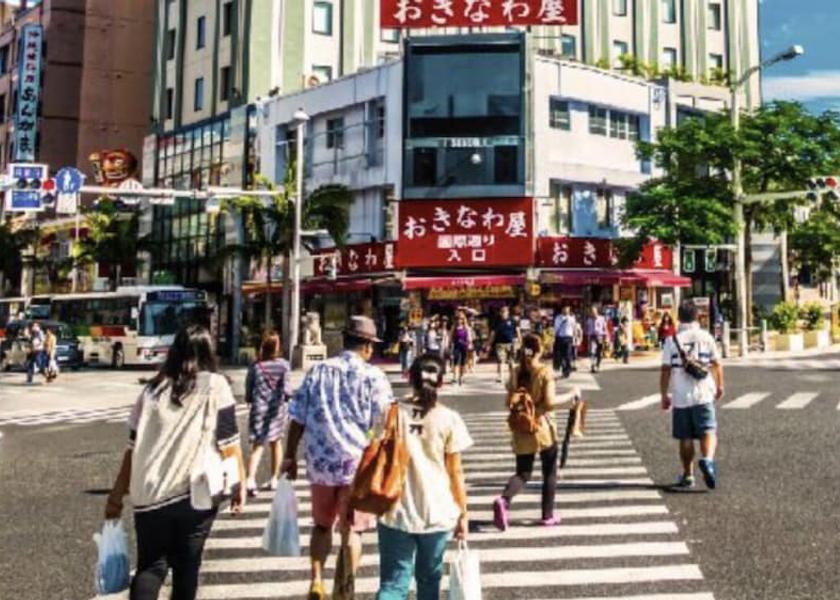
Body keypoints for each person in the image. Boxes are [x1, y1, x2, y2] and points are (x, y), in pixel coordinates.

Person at [104, 325, 246, 600]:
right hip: (194, 493)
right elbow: (229, 444)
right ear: (208, 352)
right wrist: (238, 484)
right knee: (186, 567)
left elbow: (132, 449)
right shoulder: (216, 385)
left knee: (151, 566)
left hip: (149, 493)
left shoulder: (153, 390)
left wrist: (116, 496)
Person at [282, 316, 394, 600]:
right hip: (358, 465)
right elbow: (383, 423)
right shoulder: (374, 377)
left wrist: (289, 456)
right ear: (367, 346)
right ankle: (345, 585)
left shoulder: (318, 371)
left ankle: (317, 579)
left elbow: (297, 417)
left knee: (322, 525)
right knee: (352, 531)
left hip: (320, 464)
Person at [376, 354, 471, 599]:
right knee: (429, 582)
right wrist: (463, 513)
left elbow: (374, 452)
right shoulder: (449, 419)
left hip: (394, 509)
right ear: (440, 383)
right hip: (437, 511)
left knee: (392, 585)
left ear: (410, 378)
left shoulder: (391, 413)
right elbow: (455, 472)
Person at [493, 334, 559, 530]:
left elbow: (508, 400)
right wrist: (572, 395)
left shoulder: (516, 371)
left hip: (521, 425)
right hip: (541, 425)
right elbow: (549, 403)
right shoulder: (544, 372)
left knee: (523, 472)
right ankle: (547, 515)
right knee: (550, 470)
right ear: (540, 350)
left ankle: (504, 499)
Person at [660, 301, 724, 490]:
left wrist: (664, 394)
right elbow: (716, 364)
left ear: (678, 317)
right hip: (704, 393)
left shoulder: (672, 341)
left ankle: (688, 475)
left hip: (681, 395)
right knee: (708, 431)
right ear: (697, 316)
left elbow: (665, 370)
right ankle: (708, 461)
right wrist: (720, 385)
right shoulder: (706, 337)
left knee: (685, 437)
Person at [244, 331, 291, 497]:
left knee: (258, 445)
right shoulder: (284, 365)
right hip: (276, 410)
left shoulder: (256, 366)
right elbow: (286, 390)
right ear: (277, 347)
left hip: (259, 409)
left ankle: (250, 479)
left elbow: (249, 388)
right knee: (276, 443)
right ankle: (273, 479)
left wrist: (250, 399)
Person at [486, 306, 521, 383]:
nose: (503, 313)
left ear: (508, 312)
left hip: (511, 344)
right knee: (500, 360)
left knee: (511, 362)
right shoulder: (497, 321)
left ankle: (512, 376)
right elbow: (493, 334)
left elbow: (518, 332)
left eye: (504, 311)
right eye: (502, 311)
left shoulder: (512, 321)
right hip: (500, 344)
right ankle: (500, 377)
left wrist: (520, 342)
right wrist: (489, 344)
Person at [449, 313, 473, 386]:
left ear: (463, 320)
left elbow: (469, 337)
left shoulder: (466, 327)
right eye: (458, 319)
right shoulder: (454, 327)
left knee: (463, 362)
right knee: (455, 361)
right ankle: (455, 377)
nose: (459, 320)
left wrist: (469, 344)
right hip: (456, 346)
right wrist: (449, 344)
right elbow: (450, 337)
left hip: (464, 346)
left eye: (461, 319)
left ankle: (461, 377)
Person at [553, 306, 576, 378]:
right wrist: (554, 338)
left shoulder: (572, 319)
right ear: (562, 310)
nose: (566, 311)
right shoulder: (558, 318)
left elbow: (574, 329)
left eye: (568, 309)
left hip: (568, 338)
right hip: (560, 338)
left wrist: (575, 338)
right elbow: (556, 328)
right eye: (565, 309)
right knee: (561, 355)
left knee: (568, 355)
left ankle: (567, 370)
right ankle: (563, 369)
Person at [585, 306, 608, 373]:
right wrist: (588, 333)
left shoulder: (602, 318)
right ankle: (593, 365)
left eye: (594, 311)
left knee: (599, 352)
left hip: (600, 336)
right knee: (592, 351)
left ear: (597, 311)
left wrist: (606, 337)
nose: (593, 313)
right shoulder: (589, 320)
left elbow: (605, 328)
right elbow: (586, 328)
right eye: (592, 312)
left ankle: (597, 365)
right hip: (592, 336)